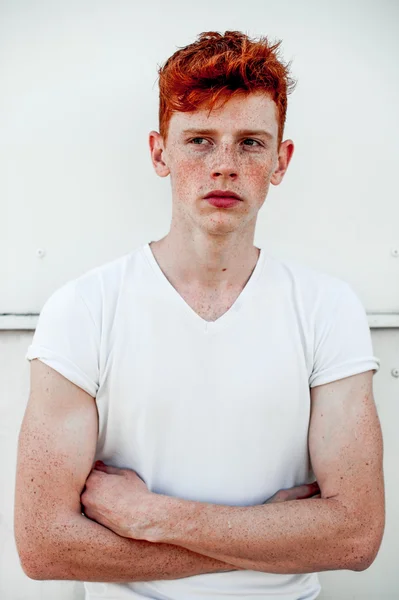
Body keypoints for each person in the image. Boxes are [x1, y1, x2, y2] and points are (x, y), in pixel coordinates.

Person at [14, 30, 385, 600]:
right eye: (200, 141)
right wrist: (271, 540)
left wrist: (153, 517)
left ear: (281, 161)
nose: (225, 166)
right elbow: (43, 546)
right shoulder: (84, 309)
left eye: (251, 143)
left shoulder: (327, 309)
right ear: (160, 153)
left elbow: (356, 537)